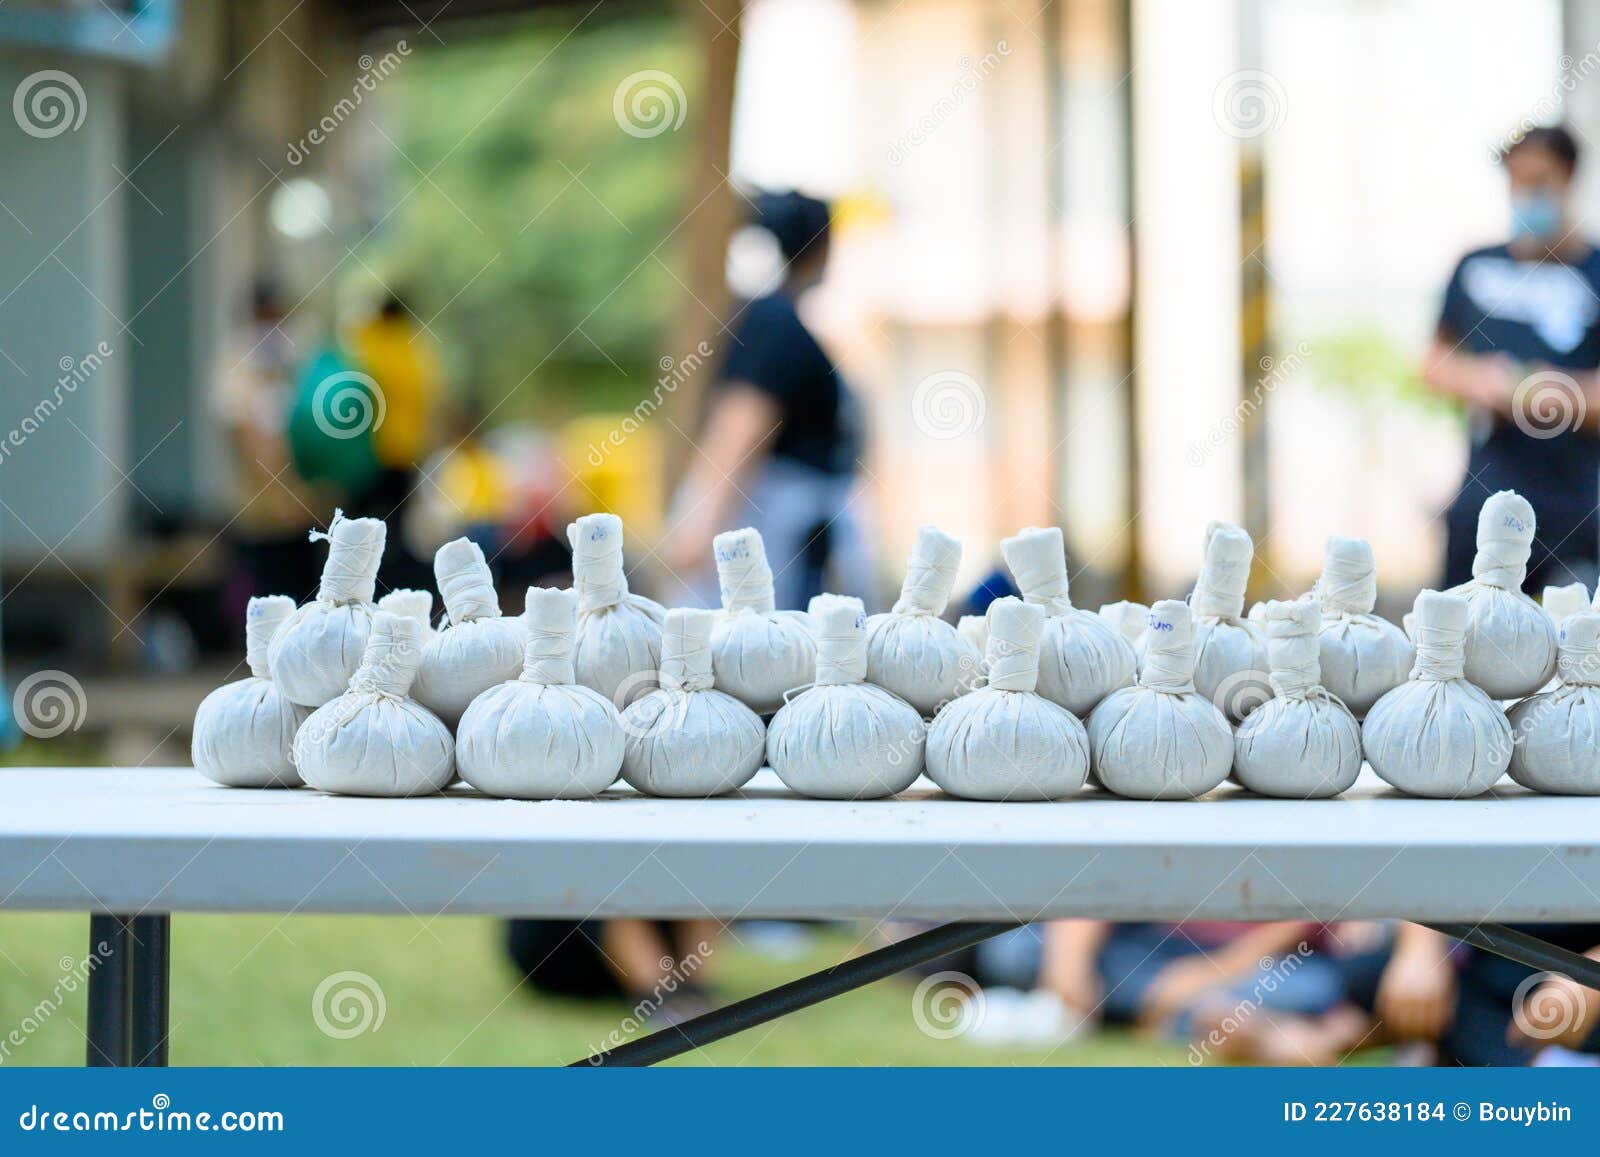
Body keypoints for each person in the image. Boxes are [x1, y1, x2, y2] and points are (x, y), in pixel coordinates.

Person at [662, 190, 871, 609]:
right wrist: (693, 535)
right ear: (821, 249)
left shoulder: (774, 321)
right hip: (775, 541)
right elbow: (739, 428)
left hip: (792, 537)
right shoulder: (774, 323)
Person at [1421, 124, 1600, 591]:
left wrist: (1557, 392)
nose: (1527, 195)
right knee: (1461, 645)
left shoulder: (1594, 272)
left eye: (1540, 182)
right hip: (1483, 504)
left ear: (1568, 182)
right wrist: (1482, 381)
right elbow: (1434, 362)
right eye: (1518, 182)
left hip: (1577, 511)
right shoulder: (1476, 265)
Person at [348, 290, 446, 589]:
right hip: (405, 453)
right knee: (395, 527)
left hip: (366, 452)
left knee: (357, 527)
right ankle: (392, 587)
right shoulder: (415, 348)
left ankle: (359, 585)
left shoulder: (364, 342)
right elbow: (430, 401)